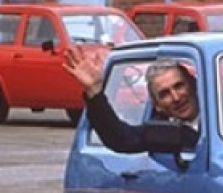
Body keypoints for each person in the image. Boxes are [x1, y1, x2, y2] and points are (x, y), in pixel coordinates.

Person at [63, 45, 199, 153]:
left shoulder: (214, 112)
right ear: (157, 105)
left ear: (193, 84)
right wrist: (94, 89)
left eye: (179, 86)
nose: (176, 97)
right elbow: (121, 138)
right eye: (165, 94)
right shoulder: (163, 133)